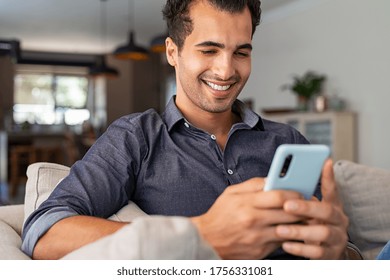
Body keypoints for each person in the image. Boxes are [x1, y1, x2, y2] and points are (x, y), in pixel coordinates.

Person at [22, 0, 357, 260]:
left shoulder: (287, 141)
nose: (226, 70)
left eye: (240, 52)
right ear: (173, 52)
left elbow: (343, 250)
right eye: (209, 50)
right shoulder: (136, 138)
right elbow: (45, 232)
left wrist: (339, 251)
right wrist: (200, 233)